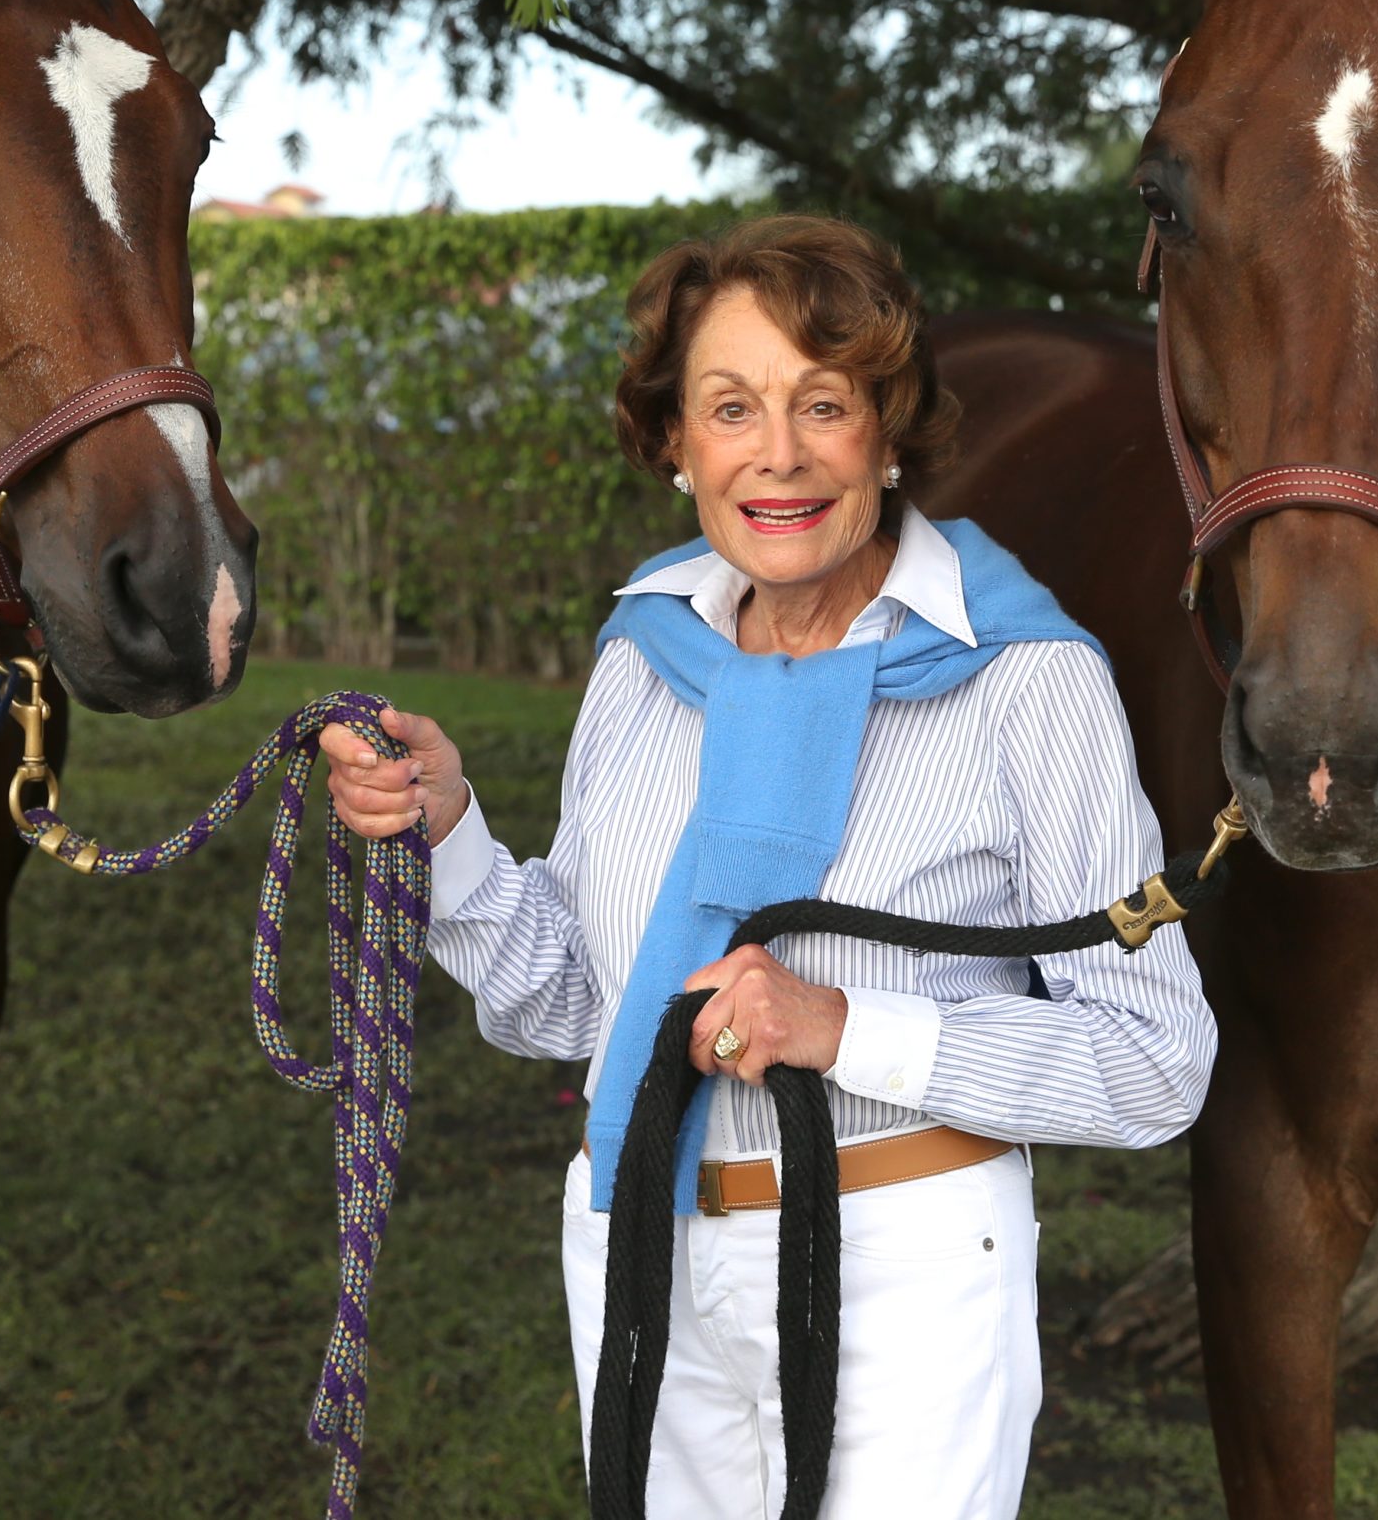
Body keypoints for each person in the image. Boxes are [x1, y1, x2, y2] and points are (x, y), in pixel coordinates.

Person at [322, 214, 1215, 1518]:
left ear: (890, 431)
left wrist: (849, 1026)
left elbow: (1157, 1059)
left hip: (904, 1269)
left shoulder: (1029, 677)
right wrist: (448, 830)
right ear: (674, 442)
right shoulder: (643, 654)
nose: (779, 452)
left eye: (824, 404)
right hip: (640, 1251)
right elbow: (576, 1000)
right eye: (731, 407)